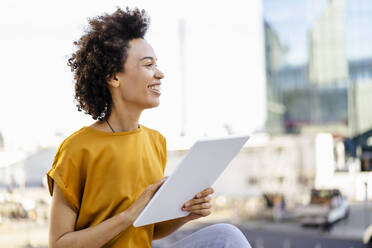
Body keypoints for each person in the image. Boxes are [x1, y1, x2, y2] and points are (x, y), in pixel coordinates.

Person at [47, 7, 251, 248]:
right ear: (114, 77)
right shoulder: (77, 148)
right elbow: (59, 244)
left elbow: (150, 230)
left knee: (226, 236)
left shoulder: (156, 142)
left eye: (157, 64)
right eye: (148, 65)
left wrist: (188, 212)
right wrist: (128, 215)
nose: (160, 74)